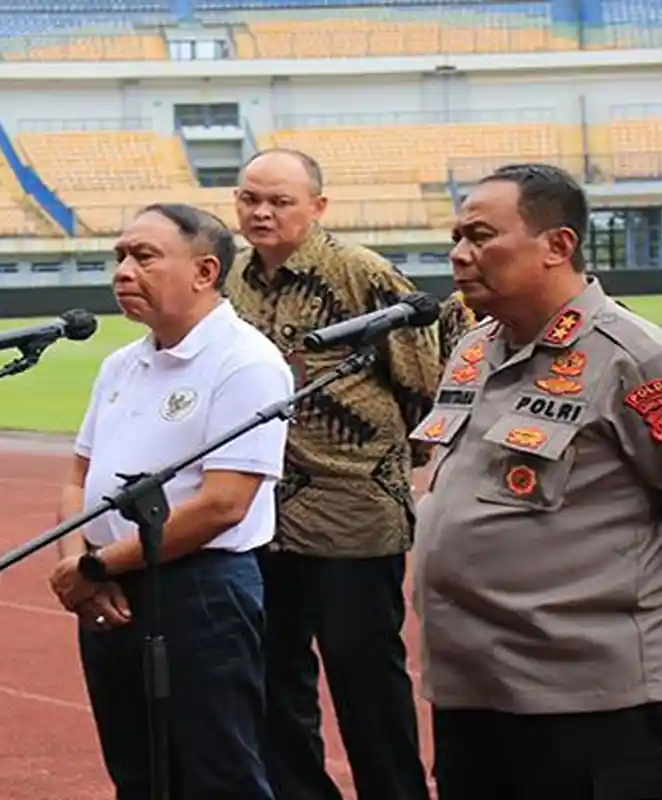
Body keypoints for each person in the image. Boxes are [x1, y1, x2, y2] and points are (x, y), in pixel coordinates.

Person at [409, 162, 662, 799]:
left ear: (557, 246)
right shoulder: (473, 350)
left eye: (480, 236)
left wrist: (654, 613)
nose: (459, 255)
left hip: (591, 699)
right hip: (474, 689)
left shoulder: (635, 357)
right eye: (457, 237)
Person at [46, 202, 293, 799]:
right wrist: (81, 562)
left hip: (199, 590)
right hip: (109, 587)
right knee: (137, 773)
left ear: (205, 271)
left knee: (218, 773)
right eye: (120, 257)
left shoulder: (246, 362)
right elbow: (78, 477)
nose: (123, 271)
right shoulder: (121, 363)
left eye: (144, 256)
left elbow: (222, 506)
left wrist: (96, 566)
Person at [224, 147, 448, 800]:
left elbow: (421, 384)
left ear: (318, 207)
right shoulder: (231, 280)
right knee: (271, 678)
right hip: (261, 513)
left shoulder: (363, 276)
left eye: (279, 201)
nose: (261, 212)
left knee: (365, 678)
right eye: (249, 198)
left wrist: (382, 464)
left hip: (353, 515)